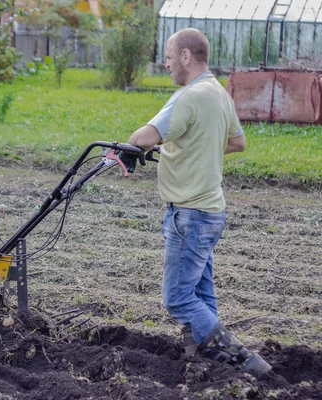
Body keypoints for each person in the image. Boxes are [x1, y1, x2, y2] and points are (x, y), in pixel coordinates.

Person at [121, 28, 271, 373]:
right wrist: (189, 148)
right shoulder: (219, 94)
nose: (167, 64)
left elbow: (143, 136)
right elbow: (237, 142)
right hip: (211, 212)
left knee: (177, 297)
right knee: (200, 294)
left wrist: (132, 148)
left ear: (186, 57)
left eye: (170, 58)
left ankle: (243, 359)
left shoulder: (188, 96)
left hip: (189, 214)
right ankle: (207, 362)